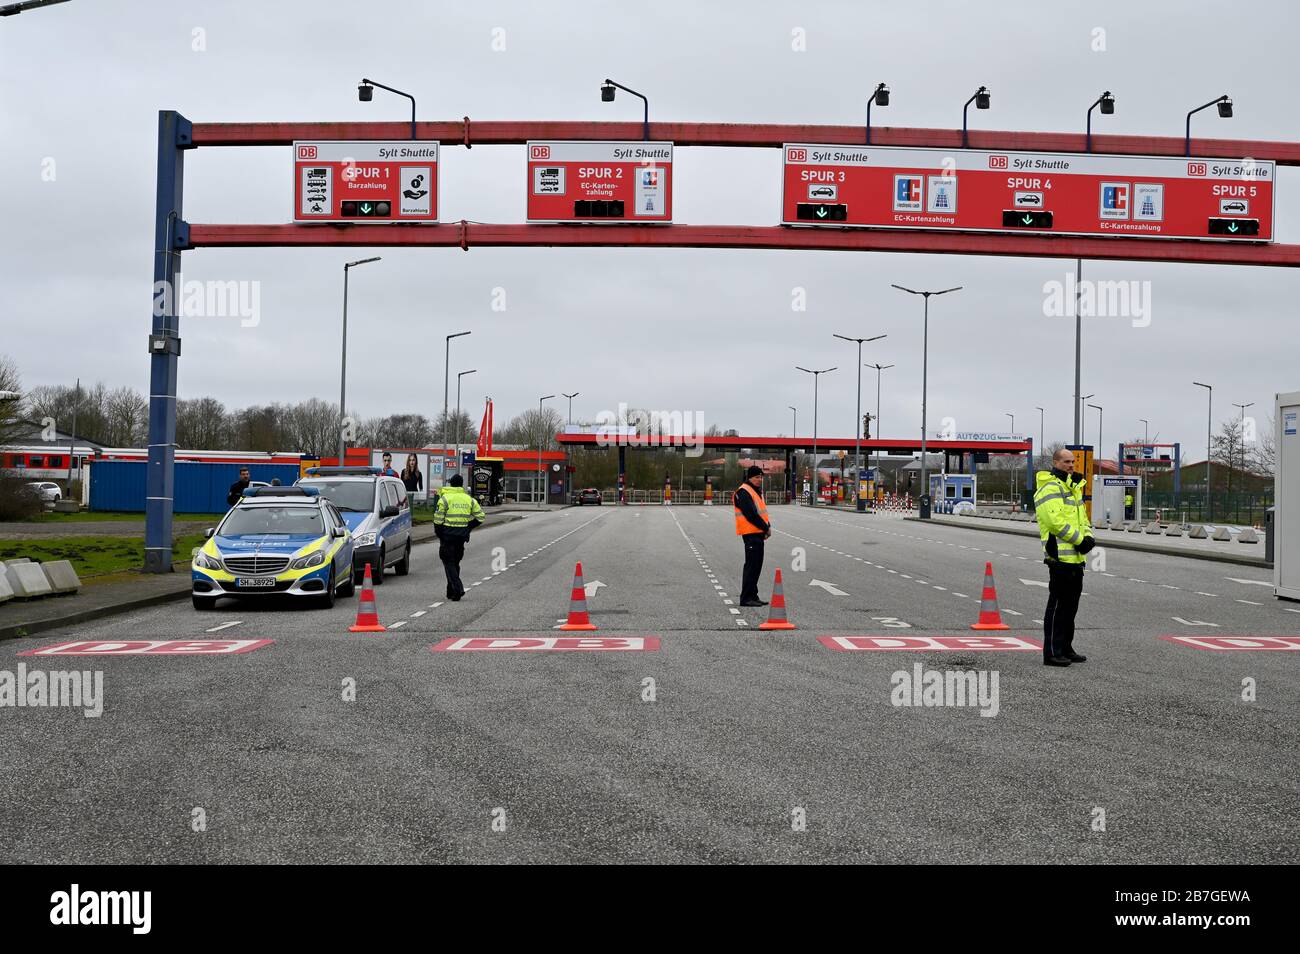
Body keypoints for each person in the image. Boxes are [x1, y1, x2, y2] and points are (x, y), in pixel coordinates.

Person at [1034, 447, 1096, 667]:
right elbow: (1055, 522)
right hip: (1059, 556)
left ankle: (1066, 647)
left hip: (1076, 558)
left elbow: (1083, 519)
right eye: (1066, 462)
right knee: (1058, 606)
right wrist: (1080, 540)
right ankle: (1051, 652)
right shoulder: (1049, 487)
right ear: (1055, 463)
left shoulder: (1072, 488)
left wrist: (1088, 537)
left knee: (1071, 606)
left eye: (1073, 462)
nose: (1071, 465)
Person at [433, 473, 485, 601]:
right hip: (461, 537)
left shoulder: (444, 499)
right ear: (462, 485)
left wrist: (440, 534)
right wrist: (468, 527)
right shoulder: (469, 500)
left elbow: (438, 520)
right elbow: (481, 517)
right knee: (455, 563)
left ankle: (458, 589)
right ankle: (451, 591)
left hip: (447, 536)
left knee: (448, 562)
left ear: (450, 484)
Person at [733, 465, 771, 607]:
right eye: (756, 477)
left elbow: (762, 512)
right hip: (750, 533)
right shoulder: (743, 492)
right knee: (751, 566)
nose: (759, 479)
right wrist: (766, 528)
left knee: (756, 566)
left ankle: (753, 595)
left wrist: (767, 527)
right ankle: (746, 598)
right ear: (749, 477)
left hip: (757, 533)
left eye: (761, 477)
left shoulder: (755, 491)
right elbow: (751, 515)